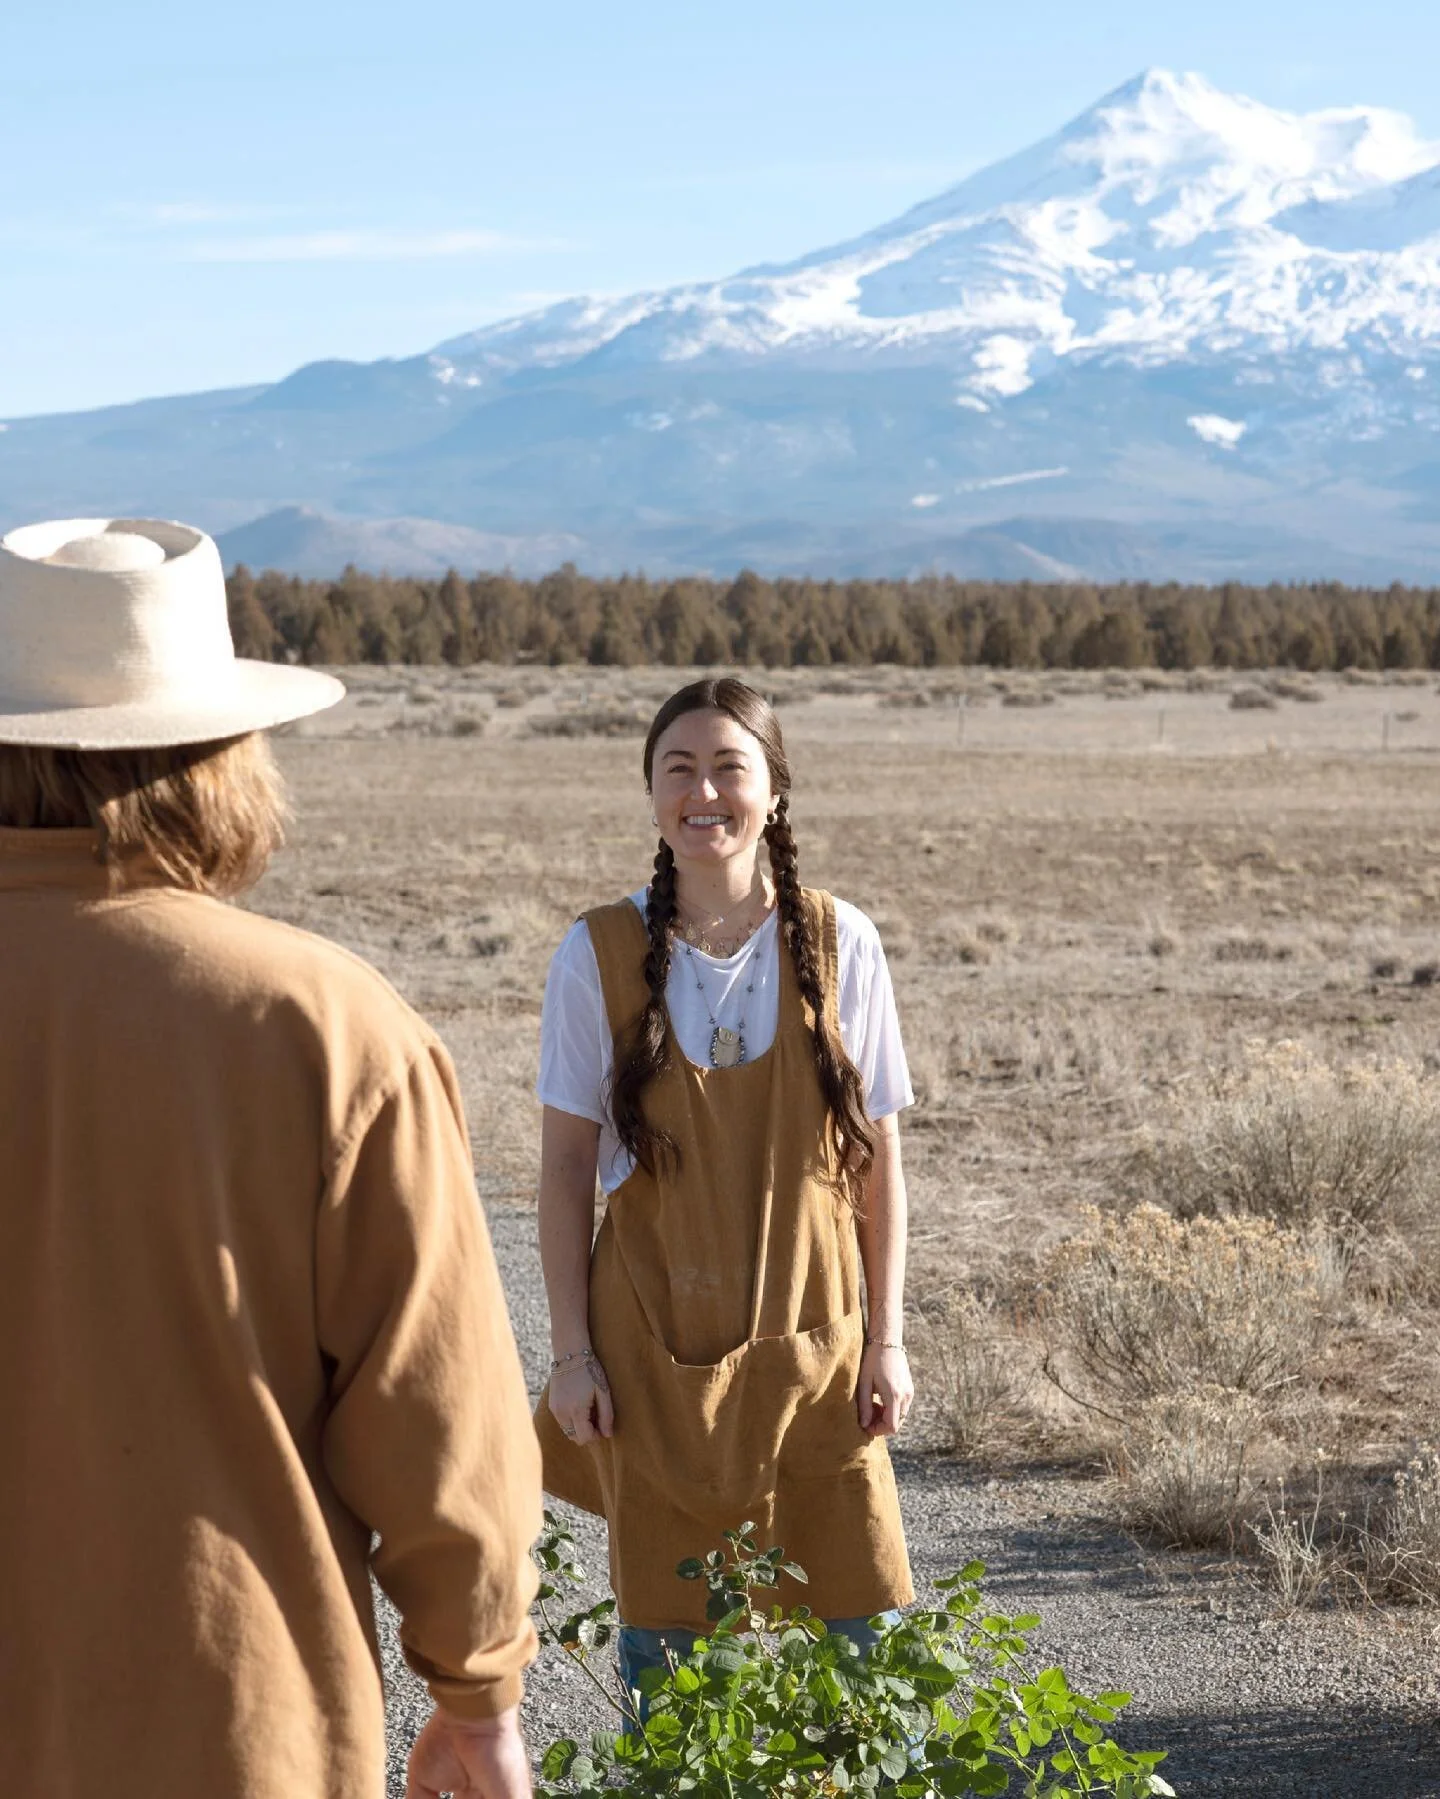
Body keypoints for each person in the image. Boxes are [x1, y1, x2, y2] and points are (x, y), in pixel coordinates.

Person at [0, 517, 542, 1799]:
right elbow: (440, 1422)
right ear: (226, 756)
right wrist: (477, 1690)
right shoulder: (320, 1024)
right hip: (234, 1724)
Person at [535, 676, 915, 1699]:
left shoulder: (842, 942)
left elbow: (879, 1159)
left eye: (728, 767)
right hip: (656, 1362)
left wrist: (886, 1339)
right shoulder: (597, 952)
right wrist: (571, 1355)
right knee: (677, 1683)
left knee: (867, 1672)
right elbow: (565, 1171)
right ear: (652, 793)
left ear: (774, 790)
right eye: (679, 768)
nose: (703, 792)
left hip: (819, 1351)